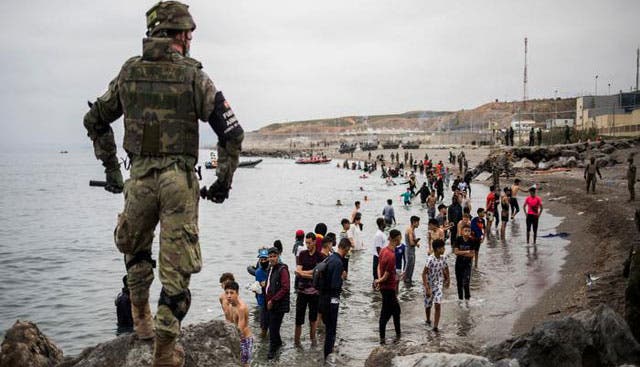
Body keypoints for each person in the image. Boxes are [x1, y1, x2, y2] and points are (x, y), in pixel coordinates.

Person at [83, 3, 244, 365]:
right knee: (177, 273)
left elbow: (95, 119)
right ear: (177, 34)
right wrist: (223, 182)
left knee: (136, 252)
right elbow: (232, 132)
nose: (190, 39)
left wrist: (112, 170)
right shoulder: (193, 76)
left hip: (138, 180)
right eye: (188, 32)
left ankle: (141, 322)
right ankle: (164, 353)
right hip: (178, 184)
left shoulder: (129, 72)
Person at [318, 238, 349, 360]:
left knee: (327, 328)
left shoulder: (329, 258)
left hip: (322, 298)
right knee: (331, 330)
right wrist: (342, 277)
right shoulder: (338, 263)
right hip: (332, 300)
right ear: (346, 248)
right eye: (348, 249)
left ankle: (326, 353)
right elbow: (335, 286)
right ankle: (328, 356)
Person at [294, 232, 324, 348]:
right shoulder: (302, 254)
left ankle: (313, 339)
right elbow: (298, 271)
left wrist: (303, 273)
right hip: (301, 292)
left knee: (313, 319)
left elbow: (318, 275)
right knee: (298, 320)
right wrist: (309, 273)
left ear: (315, 242)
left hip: (314, 292)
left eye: (309, 243)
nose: (307, 245)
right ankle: (296, 342)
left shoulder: (320, 256)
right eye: (306, 243)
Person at [375, 229, 402, 344]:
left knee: (395, 311)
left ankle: (397, 335)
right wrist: (379, 281)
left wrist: (378, 281)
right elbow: (386, 275)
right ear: (396, 239)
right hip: (389, 288)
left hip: (384, 287)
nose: (401, 239)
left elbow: (378, 267)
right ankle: (383, 338)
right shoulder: (391, 256)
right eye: (400, 237)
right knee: (386, 313)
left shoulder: (383, 251)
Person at [265, 247, 290, 359]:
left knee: (273, 328)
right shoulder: (271, 268)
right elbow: (271, 284)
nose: (272, 259)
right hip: (271, 303)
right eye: (270, 257)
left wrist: (273, 299)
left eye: (274, 256)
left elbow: (285, 288)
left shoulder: (282, 270)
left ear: (278, 256)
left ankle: (272, 352)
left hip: (278, 304)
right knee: (273, 327)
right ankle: (279, 344)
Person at [422, 239, 450, 331]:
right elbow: (423, 274)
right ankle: (428, 320)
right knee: (428, 305)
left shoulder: (443, 258)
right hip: (429, 284)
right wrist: (427, 288)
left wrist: (448, 279)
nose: (444, 249)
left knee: (437, 304)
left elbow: (446, 268)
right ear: (437, 249)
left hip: (438, 284)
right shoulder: (430, 259)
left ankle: (435, 326)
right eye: (443, 247)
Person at [223, 281, 253, 367]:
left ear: (237, 293)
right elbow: (230, 323)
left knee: (245, 364)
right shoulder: (230, 304)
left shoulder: (241, 308)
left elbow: (240, 329)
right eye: (227, 293)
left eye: (232, 293)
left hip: (245, 340)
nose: (229, 296)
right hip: (237, 338)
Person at [454, 225, 475, 300]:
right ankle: (460, 299)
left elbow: (472, 254)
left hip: (467, 265)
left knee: (466, 282)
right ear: (462, 232)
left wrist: (461, 252)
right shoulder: (458, 239)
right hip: (458, 264)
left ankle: (467, 299)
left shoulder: (472, 240)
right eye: (465, 230)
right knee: (459, 283)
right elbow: (456, 252)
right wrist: (466, 252)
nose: (467, 232)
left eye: (469, 231)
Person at [253, 249, 269, 338]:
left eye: (265, 259)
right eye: (261, 259)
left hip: (272, 300)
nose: (263, 261)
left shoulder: (272, 269)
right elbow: (258, 286)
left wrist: (265, 284)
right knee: (263, 325)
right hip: (262, 300)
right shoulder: (258, 272)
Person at [403, 216, 421, 285]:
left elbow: (412, 242)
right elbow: (411, 243)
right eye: (418, 222)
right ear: (414, 222)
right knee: (409, 269)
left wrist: (416, 243)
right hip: (409, 251)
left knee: (410, 267)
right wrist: (416, 241)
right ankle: (407, 284)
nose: (418, 224)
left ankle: (408, 284)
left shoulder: (411, 229)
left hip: (410, 251)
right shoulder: (410, 230)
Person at [371, 217, 386, 285]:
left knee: (380, 276)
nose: (385, 223)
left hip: (381, 257)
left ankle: (376, 294)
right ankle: (375, 292)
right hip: (378, 258)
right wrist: (381, 260)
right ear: (381, 224)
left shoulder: (382, 233)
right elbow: (378, 249)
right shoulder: (378, 235)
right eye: (384, 222)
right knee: (377, 277)